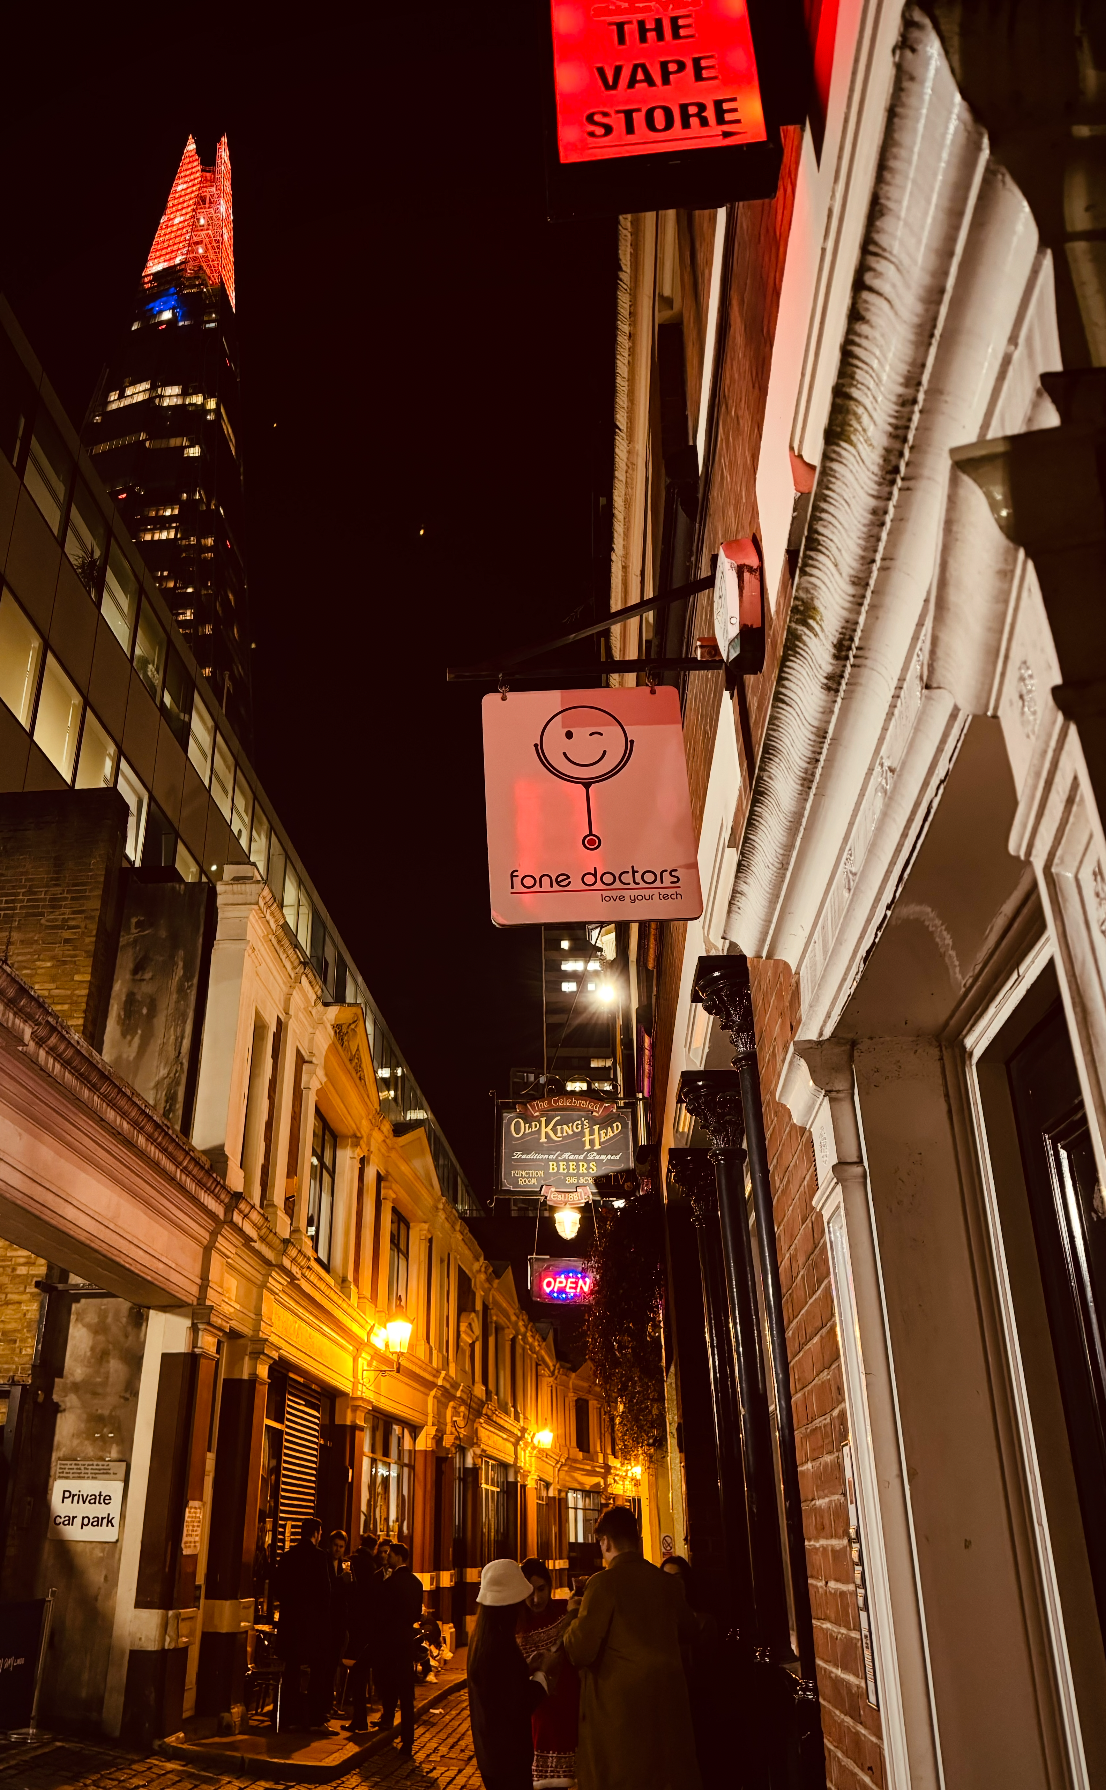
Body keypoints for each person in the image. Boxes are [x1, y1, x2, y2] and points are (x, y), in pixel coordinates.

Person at [559, 1505, 701, 1790]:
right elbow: (690, 1629)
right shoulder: (665, 1583)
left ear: (605, 1542)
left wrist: (573, 1612)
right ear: (636, 1541)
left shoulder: (603, 1584)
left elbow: (579, 1649)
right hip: (666, 1719)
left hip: (620, 1722)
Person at [468, 1558, 551, 1790]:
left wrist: (526, 1669)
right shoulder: (501, 1645)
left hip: (490, 1756)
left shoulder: (481, 1638)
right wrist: (542, 1674)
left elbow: (498, 1689)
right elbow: (519, 1703)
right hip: (509, 1760)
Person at [516, 1559, 579, 1789]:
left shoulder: (565, 1611)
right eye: (529, 1592)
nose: (536, 1599)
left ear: (550, 1586)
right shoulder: (517, 1627)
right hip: (538, 1718)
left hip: (567, 1710)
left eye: (541, 1589)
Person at [660, 1556, 723, 1780]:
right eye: (666, 1579)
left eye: (677, 1578)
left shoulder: (703, 1621)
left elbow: (705, 1667)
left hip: (697, 1703)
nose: (672, 1584)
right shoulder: (656, 1621)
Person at [272, 1517, 333, 1731]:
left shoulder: (288, 1557)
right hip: (313, 1626)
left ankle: (290, 1717)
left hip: (291, 1624)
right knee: (318, 1670)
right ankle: (315, 1718)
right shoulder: (319, 1557)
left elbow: (277, 1588)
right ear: (316, 1534)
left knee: (292, 1670)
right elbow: (325, 1593)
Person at [371, 1540, 424, 1759]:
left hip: (390, 1641)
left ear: (399, 1558)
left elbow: (381, 1613)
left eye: (390, 1555)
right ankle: (408, 1741)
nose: (387, 1558)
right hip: (406, 1640)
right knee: (406, 1693)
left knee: (390, 1684)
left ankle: (388, 1720)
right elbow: (415, 1614)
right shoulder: (416, 1583)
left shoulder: (391, 1583)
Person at [325, 1529, 352, 1714]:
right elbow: (323, 1588)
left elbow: (352, 1590)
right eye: (335, 1545)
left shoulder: (346, 1564)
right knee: (326, 1664)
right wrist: (339, 1581)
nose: (338, 1549)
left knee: (335, 1663)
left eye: (341, 1547)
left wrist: (350, 1581)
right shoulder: (323, 1562)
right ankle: (325, 1704)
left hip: (340, 1621)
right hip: (326, 1620)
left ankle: (330, 1702)